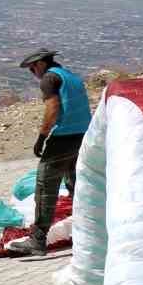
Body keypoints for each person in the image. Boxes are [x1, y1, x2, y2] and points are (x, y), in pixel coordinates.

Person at [9, 48, 91, 259]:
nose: (32, 73)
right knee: (77, 186)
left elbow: (52, 109)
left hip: (63, 137)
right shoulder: (71, 76)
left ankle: (37, 240)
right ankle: (88, 233)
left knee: (45, 186)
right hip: (83, 135)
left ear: (40, 64)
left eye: (32, 69)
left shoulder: (49, 78)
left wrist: (42, 137)